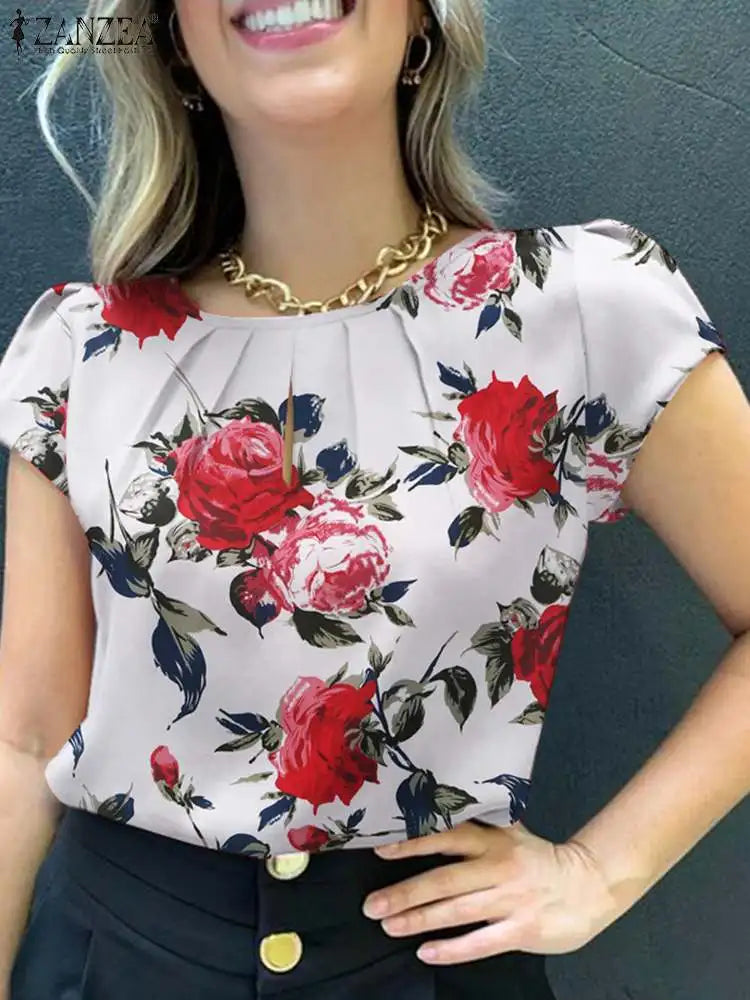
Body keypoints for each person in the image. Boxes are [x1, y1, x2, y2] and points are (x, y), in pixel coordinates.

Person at [1, 1, 748, 998]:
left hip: (432, 961)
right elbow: (24, 741)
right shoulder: (85, 350)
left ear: (424, 20)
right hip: (109, 960)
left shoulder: (585, 310)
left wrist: (601, 871)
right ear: (175, 40)